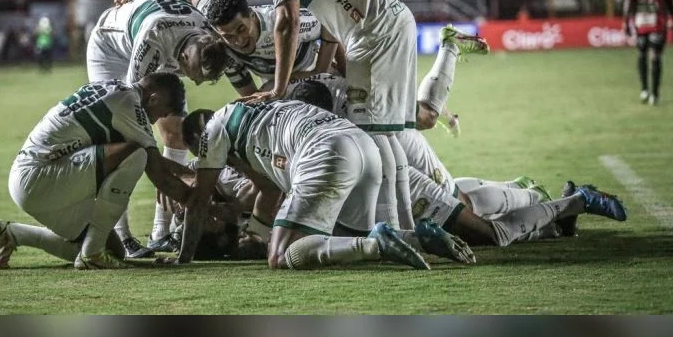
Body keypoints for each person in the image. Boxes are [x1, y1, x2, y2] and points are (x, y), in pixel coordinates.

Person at [221, 0, 418, 231]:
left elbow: (286, 19)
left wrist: (279, 87)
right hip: (389, 22)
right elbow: (329, 3)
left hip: (373, 35)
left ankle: (396, 229)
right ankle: (404, 226)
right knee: (386, 135)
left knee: (373, 135)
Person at [288, 80, 629, 248]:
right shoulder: (328, 117)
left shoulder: (336, 131)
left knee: (488, 232)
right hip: (395, 180)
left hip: (404, 185)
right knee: (464, 206)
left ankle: (576, 200)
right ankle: (552, 217)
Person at [178, 99, 477, 270]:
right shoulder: (254, 117)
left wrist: (183, 259)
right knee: (342, 236)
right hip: (362, 145)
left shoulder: (212, 132)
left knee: (281, 256)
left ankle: (377, 246)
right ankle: (420, 238)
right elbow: (268, 189)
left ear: (198, 142)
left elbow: (199, 199)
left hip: (323, 151)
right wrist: (256, 232)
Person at [0, 73, 194, 270]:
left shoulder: (112, 88)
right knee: (136, 155)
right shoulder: (128, 104)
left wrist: (188, 172)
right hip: (40, 178)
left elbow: (157, 162)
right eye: (162, 113)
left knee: (113, 250)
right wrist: (200, 203)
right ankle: (92, 255)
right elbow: (156, 169)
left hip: (30, 177)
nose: (158, 119)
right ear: (154, 98)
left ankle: (12, 234)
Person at [85, 0, 231, 256]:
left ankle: (160, 233)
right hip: (110, 50)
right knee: (121, 141)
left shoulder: (208, 35)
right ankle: (122, 236)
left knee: (175, 131)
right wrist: (166, 176)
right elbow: (132, 107)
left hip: (163, 43)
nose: (195, 83)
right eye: (193, 75)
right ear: (184, 58)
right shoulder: (153, 39)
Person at [113, 0, 340, 96]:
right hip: (276, 83)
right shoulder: (221, 41)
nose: (238, 40)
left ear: (251, 16)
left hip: (312, 68)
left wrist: (318, 70)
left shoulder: (281, 24)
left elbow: (330, 23)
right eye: (228, 35)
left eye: (242, 29)